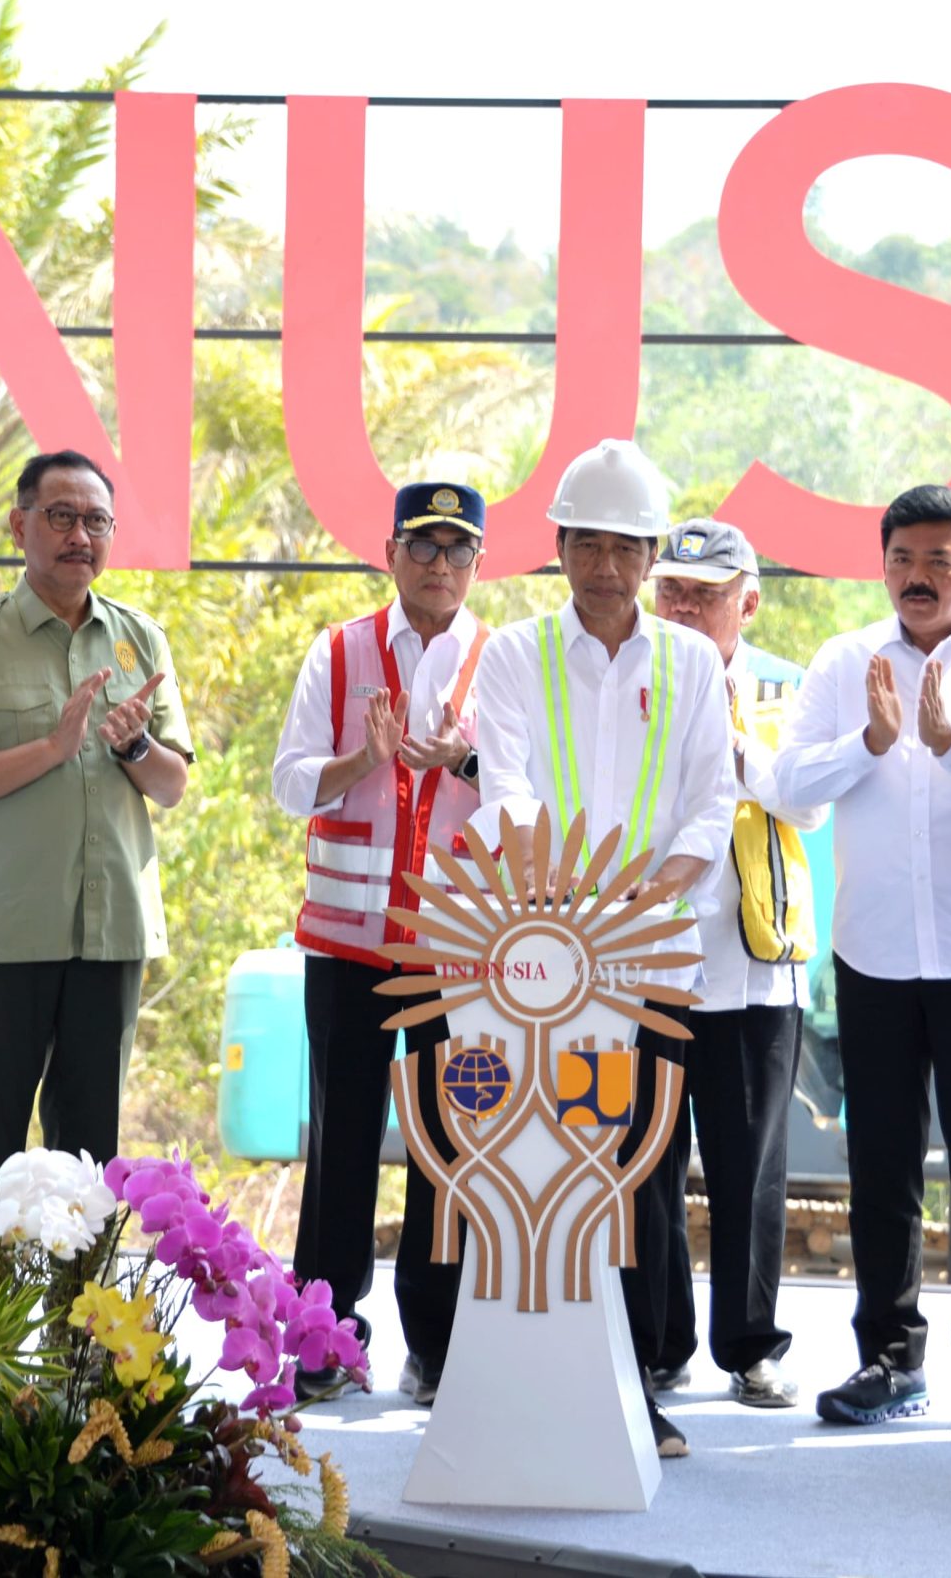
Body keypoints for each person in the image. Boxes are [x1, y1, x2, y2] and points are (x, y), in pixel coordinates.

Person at [772, 484, 951, 1442]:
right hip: (876, 950)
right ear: (883, 564)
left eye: (942, 560)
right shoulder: (843, 661)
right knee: (881, 1162)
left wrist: (950, 746)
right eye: (903, 558)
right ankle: (889, 1358)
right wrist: (872, 742)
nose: (919, 576)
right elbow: (790, 791)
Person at [472, 438, 736, 1460]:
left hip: (657, 960)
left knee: (643, 1173)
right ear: (560, 546)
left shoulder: (688, 662)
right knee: (547, 1169)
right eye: (587, 541)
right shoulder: (514, 654)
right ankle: (537, 1381)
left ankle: (636, 1381)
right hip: (543, 960)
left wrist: (659, 887)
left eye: (625, 546)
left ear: (651, 553)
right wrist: (570, 895)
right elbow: (506, 787)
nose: (605, 564)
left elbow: (711, 800)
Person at [0, 450, 192, 1180]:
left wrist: (133, 744)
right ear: (18, 524)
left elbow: (170, 785)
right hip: (1, 940)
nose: (80, 535)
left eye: (96, 520)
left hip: (108, 938)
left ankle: (81, 1301)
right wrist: (51, 747)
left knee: (91, 1162)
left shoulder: (141, 639)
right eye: (61, 516)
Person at [272, 480, 489, 1406]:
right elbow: (286, 783)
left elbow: (537, 783)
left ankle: (436, 1343)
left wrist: (465, 761)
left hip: (456, 950)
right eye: (424, 545)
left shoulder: (505, 659)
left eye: (458, 549)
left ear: (478, 562)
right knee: (344, 1141)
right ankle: (325, 1336)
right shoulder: (339, 650)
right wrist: (359, 763)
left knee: (447, 1147)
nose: (440, 564)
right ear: (391, 550)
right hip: (349, 943)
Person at [638, 517, 829, 1410]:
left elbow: (806, 798)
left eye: (704, 593)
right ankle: (656, 1341)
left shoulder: (789, 687)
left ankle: (751, 1345)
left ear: (746, 602)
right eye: (670, 589)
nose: (682, 605)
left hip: (754, 968)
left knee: (750, 1164)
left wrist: (725, 731)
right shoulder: (625, 677)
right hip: (641, 962)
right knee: (645, 1160)